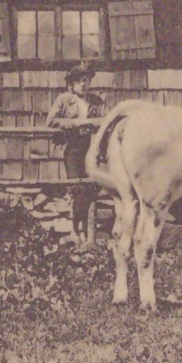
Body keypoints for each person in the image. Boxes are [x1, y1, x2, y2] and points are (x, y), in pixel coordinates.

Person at [46, 61, 106, 241]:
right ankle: (74, 229)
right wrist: (74, 123)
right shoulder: (64, 100)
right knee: (76, 188)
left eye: (86, 80)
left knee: (90, 188)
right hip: (72, 148)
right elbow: (51, 121)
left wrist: (91, 123)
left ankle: (87, 231)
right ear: (71, 83)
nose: (83, 84)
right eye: (79, 80)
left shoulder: (96, 101)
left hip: (91, 148)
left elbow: (106, 119)